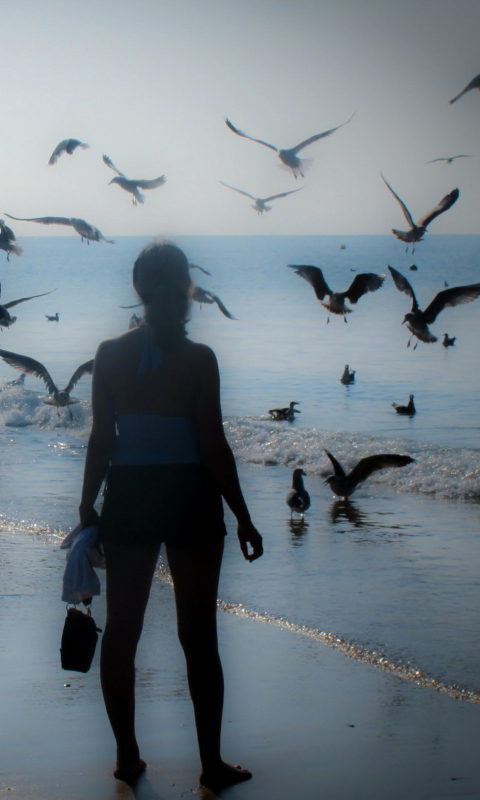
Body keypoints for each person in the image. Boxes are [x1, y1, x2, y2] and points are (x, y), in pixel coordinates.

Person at [79, 241, 263, 791]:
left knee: (123, 633)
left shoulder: (109, 354)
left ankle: (126, 757)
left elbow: (100, 442)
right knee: (199, 637)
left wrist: (87, 506)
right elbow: (213, 447)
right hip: (190, 494)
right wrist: (245, 516)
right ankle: (210, 765)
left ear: (137, 287)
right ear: (187, 289)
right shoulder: (200, 360)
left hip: (131, 496)